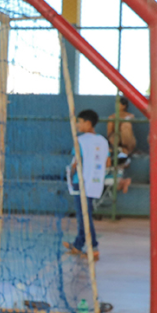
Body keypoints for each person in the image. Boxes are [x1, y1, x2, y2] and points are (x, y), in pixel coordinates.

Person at [64, 109, 109, 261]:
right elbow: (107, 162)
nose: (77, 125)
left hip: (81, 182)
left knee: (84, 216)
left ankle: (93, 247)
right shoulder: (103, 141)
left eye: (80, 122)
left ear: (88, 123)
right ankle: (78, 244)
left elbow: (76, 162)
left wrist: (71, 174)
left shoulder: (81, 141)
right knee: (85, 214)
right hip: (95, 182)